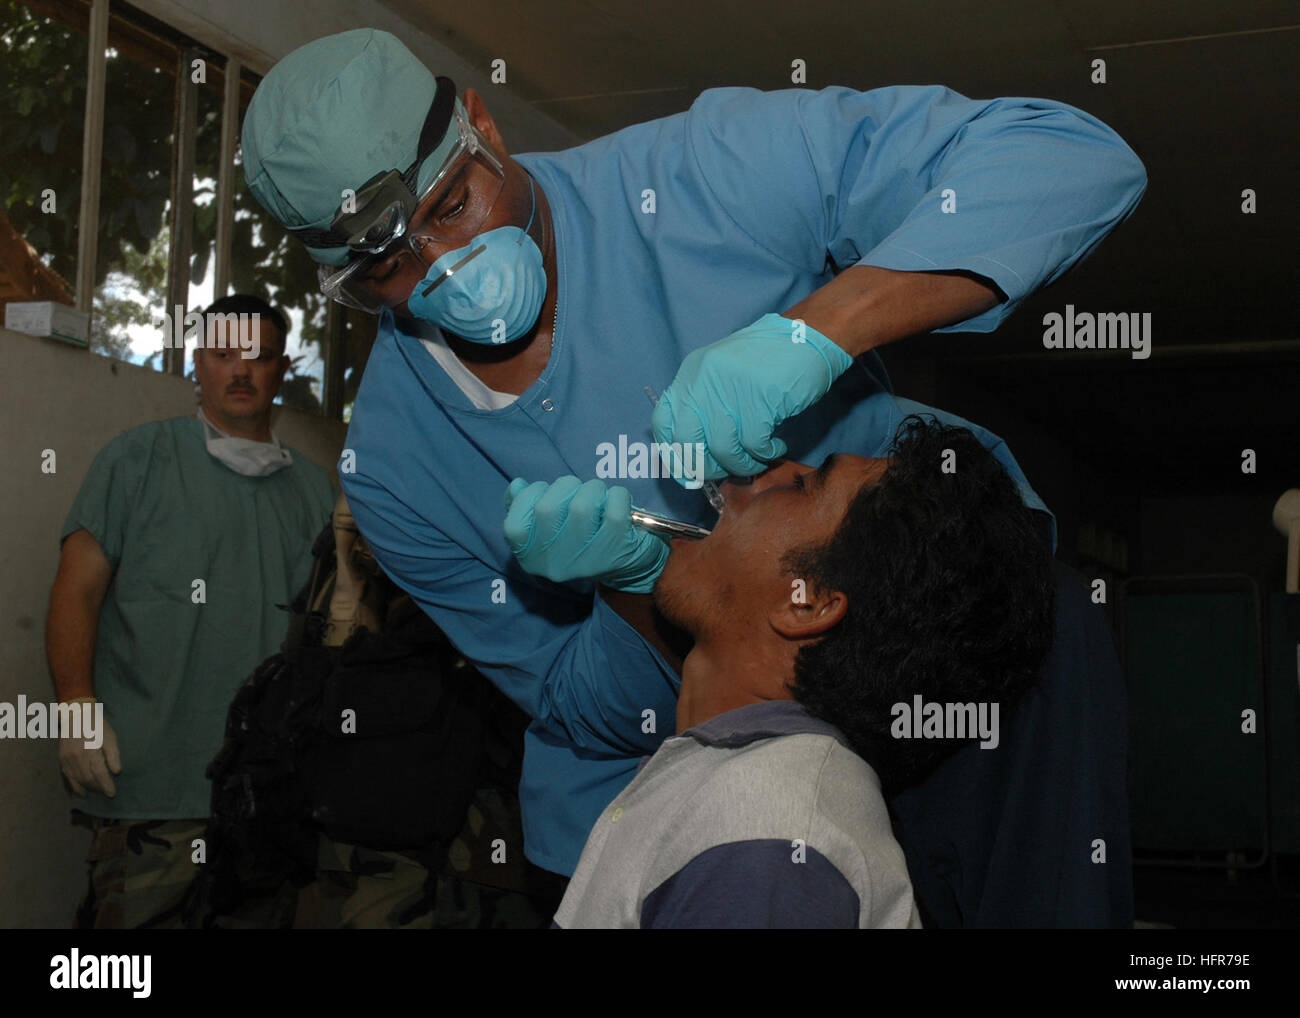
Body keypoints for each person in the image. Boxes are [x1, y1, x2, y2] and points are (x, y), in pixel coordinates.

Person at [239, 28, 1144, 918]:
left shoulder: (705, 174)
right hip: (666, 789)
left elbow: (1068, 159)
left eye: (451, 206)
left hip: (931, 649)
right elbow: (568, 700)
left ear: (484, 123)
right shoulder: (396, 466)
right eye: (389, 266)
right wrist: (636, 590)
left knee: (1045, 648)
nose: (448, 267)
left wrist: (819, 330)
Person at [555, 418, 1056, 927]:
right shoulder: (753, 800)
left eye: (801, 486)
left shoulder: (762, 836)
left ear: (808, 603)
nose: (752, 476)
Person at [46, 294, 334, 928]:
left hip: (270, 793)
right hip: (156, 783)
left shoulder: (316, 493)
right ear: (194, 364)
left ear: (282, 369)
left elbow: (331, 634)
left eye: (256, 356)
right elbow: (77, 589)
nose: (239, 370)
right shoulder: (138, 460)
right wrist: (73, 705)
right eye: (222, 354)